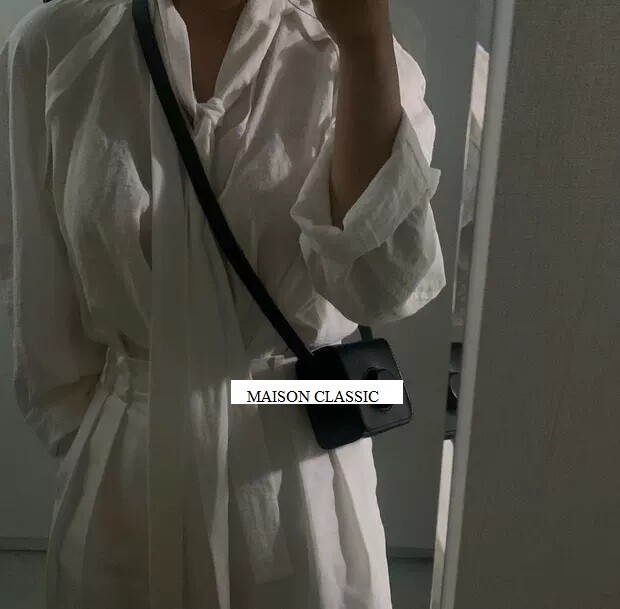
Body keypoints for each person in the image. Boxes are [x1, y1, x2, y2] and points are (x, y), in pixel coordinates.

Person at [0, 0, 446, 607]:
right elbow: (42, 312)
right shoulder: (57, 46)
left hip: (300, 487)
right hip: (126, 489)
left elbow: (381, 285)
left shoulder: (345, 48)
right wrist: (124, 424)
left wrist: (366, 45)